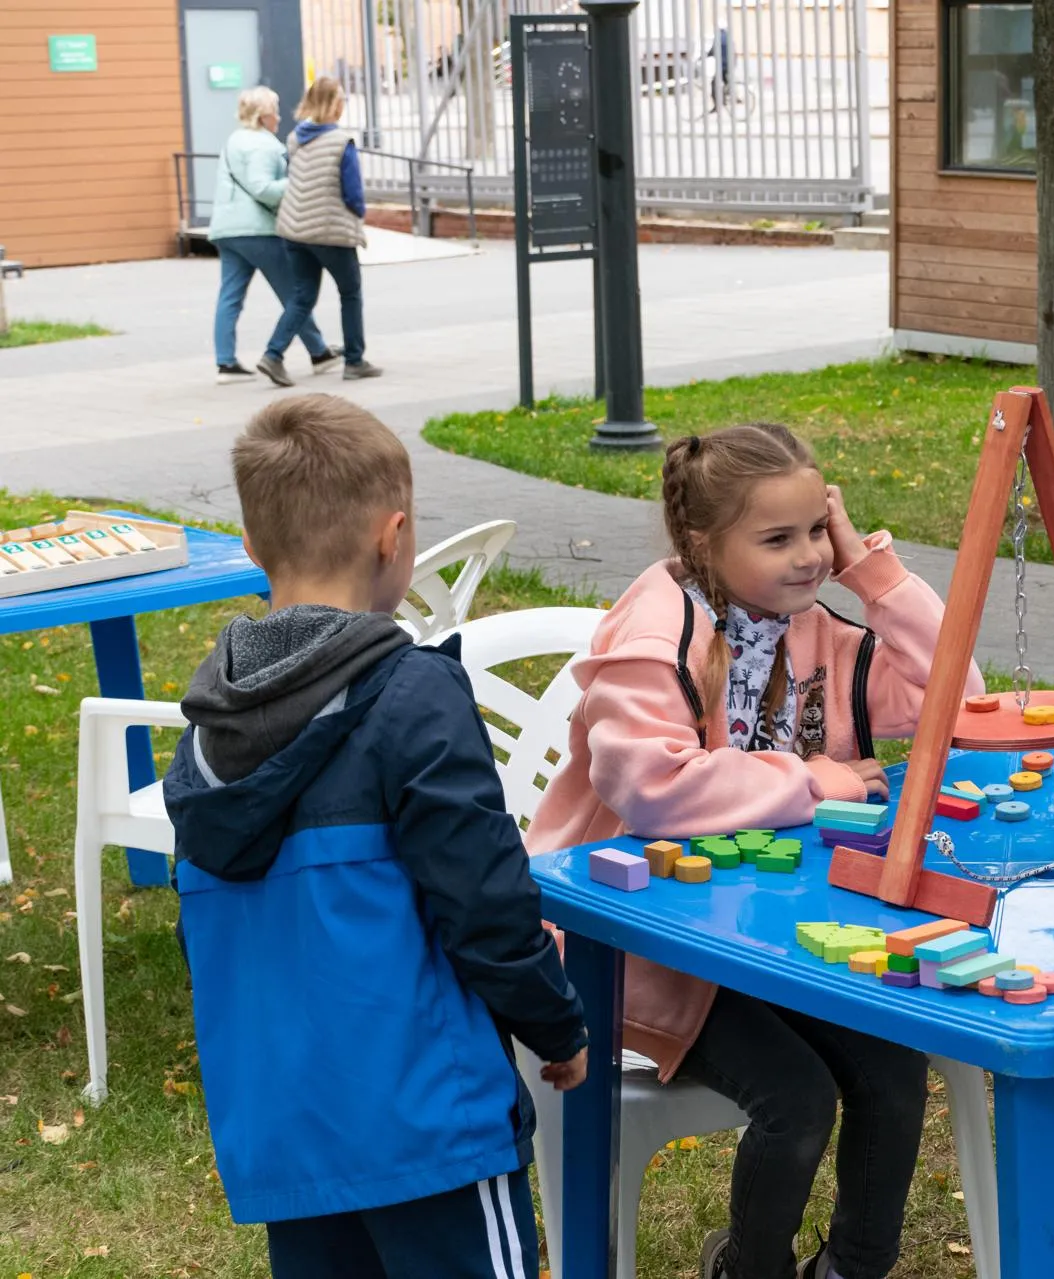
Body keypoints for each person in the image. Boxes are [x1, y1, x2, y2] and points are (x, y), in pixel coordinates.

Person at [524, 422, 982, 1279]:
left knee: (891, 1073)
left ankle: (849, 1270)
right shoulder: (658, 624)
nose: (808, 556)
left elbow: (956, 702)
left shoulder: (815, 624)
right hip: (628, 947)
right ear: (703, 541)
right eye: (779, 538)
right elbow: (648, 783)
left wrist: (871, 569)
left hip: (760, 935)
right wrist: (812, 777)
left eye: (818, 530)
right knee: (798, 1099)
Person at [163, 394, 587, 1277]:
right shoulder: (414, 694)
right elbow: (483, 896)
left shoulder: (205, 730)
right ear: (393, 538)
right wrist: (556, 1022)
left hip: (286, 1130)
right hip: (428, 1121)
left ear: (250, 548)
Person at [258, 76, 383, 386]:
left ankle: (273, 355)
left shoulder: (294, 138)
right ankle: (354, 360)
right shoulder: (342, 142)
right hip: (330, 230)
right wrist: (357, 217)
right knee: (350, 293)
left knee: (302, 296)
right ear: (334, 104)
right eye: (341, 99)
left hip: (295, 230)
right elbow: (352, 193)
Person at [208, 86, 335, 384]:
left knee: (230, 295)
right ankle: (316, 352)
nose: (279, 117)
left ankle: (226, 363)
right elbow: (262, 188)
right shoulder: (261, 145)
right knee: (295, 293)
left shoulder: (234, 141)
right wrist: (297, 183)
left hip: (227, 229)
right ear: (264, 116)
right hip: (258, 231)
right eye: (275, 111)